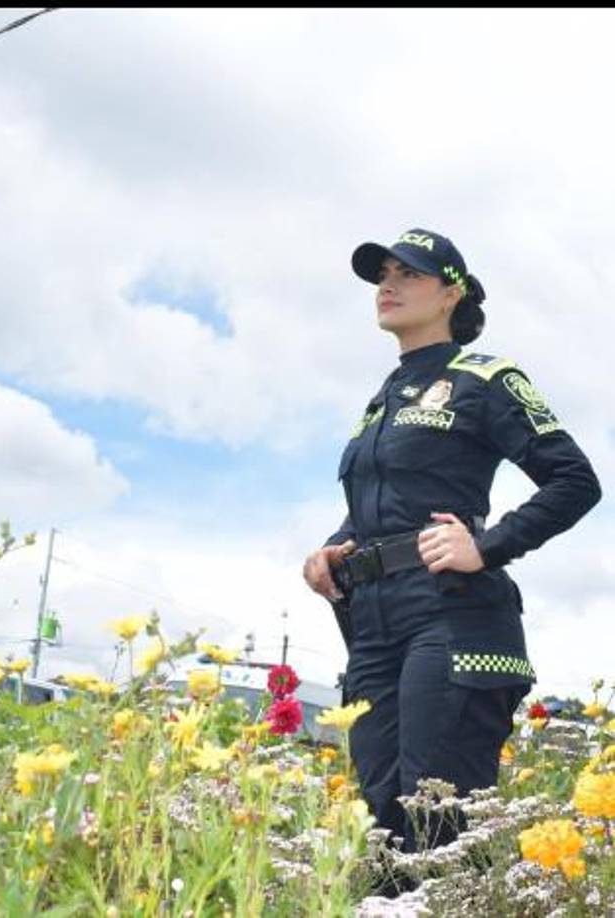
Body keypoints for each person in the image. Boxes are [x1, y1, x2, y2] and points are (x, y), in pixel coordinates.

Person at [302, 227, 602, 861]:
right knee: (377, 823)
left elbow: (576, 481)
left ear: (450, 294)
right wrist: (335, 546)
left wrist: (487, 547)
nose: (388, 285)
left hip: (452, 614)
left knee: (438, 819)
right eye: (383, 274)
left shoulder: (485, 378)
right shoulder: (381, 400)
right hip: (374, 619)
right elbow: (381, 507)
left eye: (408, 274)